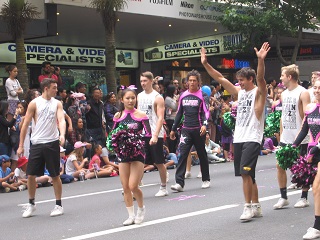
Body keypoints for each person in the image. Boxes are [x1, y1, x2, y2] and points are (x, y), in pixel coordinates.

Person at [201, 42, 270, 221]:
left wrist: (261, 60)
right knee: (248, 174)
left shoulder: (258, 92)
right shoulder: (240, 93)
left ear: (250, 80)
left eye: (242, 80)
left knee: (246, 173)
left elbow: (261, 78)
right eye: (238, 80)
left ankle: (247, 207)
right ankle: (256, 205)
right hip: (239, 138)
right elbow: (220, 78)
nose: (238, 83)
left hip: (253, 138)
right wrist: (205, 64)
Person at [17, 78, 66, 218]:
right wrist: (20, 145)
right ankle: (31, 204)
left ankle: (58, 205)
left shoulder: (57, 103)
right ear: (46, 88)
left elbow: (61, 120)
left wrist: (62, 134)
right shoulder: (34, 103)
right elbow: (25, 124)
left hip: (51, 142)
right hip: (37, 143)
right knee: (31, 175)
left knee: (55, 175)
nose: (56, 90)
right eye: (54, 88)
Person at [111, 88, 152, 225]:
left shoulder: (141, 115)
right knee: (125, 187)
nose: (130, 101)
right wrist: (115, 144)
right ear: (122, 100)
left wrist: (137, 139)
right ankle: (130, 215)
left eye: (133, 98)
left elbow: (148, 133)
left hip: (137, 153)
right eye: (127, 98)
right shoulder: (118, 116)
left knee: (133, 185)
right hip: (123, 154)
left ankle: (141, 208)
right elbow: (113, 134)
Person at [273, 64, 311, 210]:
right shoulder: (283, 94)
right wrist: (281, 136)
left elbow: (306, 116)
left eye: (282, 75)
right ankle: (283, 197)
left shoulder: (303, 93)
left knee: (302, 167)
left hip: (301, 137)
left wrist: (302, 135)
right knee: (279, 165)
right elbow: (283, 116)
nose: (280, 78)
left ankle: (304, 197)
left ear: (289, 77)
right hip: (286, 136)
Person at [169, 69, 211, 192]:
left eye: (194, 81)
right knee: (182, 155)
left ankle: (206, 179)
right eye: (190, 80)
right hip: (186, 130)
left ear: (198, 82)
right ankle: (179, 183)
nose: (192, 83)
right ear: (187, 82)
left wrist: (204, 125)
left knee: (202, 154)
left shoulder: (203, 95)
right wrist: (173, 129)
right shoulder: (183, 95)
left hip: (199, 129)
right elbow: (179, 113)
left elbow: (206, 112)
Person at [291, 78, 320, 239]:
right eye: (315, 88)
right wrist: (292, 146)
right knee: (317, 189)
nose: (317, 90)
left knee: (317, 187)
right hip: (312, 151)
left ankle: (317, 226)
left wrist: (316, 148)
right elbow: (304, 131)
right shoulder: (310, 108)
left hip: (318, 151)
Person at [138, 71, 168, 197]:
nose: (143, 83)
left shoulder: (158, 97)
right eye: (141, 81)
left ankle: (163, 187)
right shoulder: (139, 96)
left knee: (158, 162)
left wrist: (155, 135)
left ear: (150, 81)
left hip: (155, 133)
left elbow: (160, 117)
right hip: (142, 133)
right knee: (139, 162)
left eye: (145, 81)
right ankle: (135, 187)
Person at [164, 84, 178, 153]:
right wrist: (177, 101)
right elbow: (175, 108)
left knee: (176, 137)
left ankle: (174, 151)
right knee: (172, 136)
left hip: (175, 119)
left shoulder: (173, 97)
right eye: (175, 89)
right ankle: (171, 152)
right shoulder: (168, 99)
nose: (176, 90)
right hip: (170, 119)